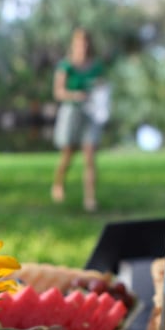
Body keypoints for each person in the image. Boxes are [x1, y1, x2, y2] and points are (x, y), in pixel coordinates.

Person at [51, 27, 107, 212]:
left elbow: (102, 86)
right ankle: (58, 184)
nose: (83, 46)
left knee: (90, 155)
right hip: (71, 112)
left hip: (91, 112)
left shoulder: (96, 66)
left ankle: (90, 198)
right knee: (68, 154)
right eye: (80, 43)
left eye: (86, 43)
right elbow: (58, 92)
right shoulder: (66, 66)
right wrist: (76, 95)